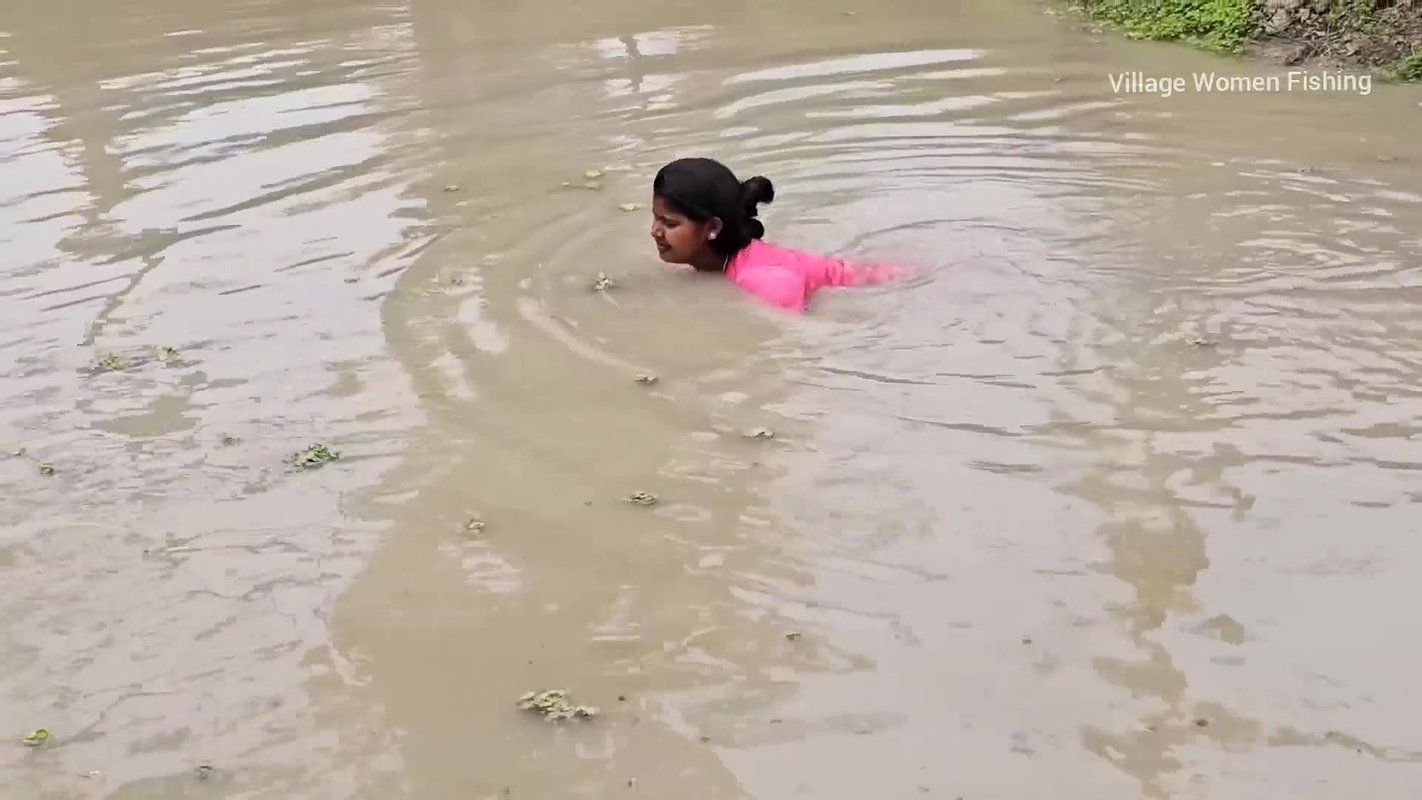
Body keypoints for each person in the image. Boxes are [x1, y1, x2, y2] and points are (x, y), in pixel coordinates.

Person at [649, 157, 907, 312]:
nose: (655, 232)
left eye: (669, 223)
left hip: (897, 286)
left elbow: (805, 340)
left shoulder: (765, 280)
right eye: (656, 218)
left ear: (713, 228)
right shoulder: (723, 263)